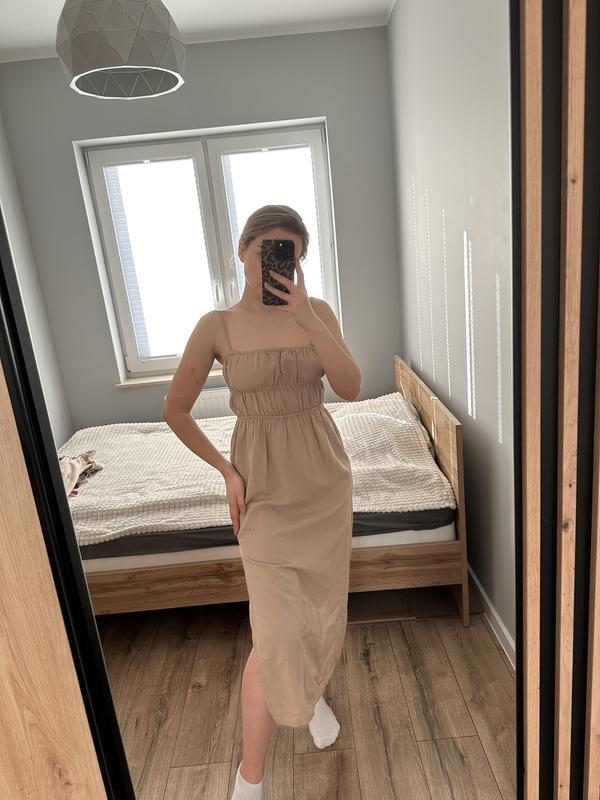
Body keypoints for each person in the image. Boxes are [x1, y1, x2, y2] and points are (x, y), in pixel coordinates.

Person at [163, 205, 360, 800]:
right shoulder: (217, 325)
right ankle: (250, 778)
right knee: (275, 633)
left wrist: (308, 321)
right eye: (265, 250)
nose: (274, 262)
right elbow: (176, 409)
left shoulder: (316, 312)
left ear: (299, 261)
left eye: (288, 253)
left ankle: (311, 695)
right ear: (242, 251)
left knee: (320, 612)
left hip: (323, 483)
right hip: (263, 491)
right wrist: (226, 471)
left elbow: (351, 387)